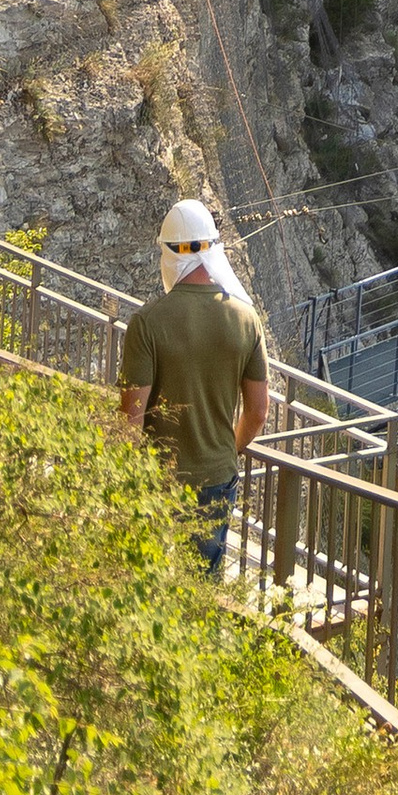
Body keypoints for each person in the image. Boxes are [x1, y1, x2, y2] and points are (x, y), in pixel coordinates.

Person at [118, 198, 268, 573]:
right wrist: (225, 450)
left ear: (168, 254)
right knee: (202, 586)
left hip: (158, 478)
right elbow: (257, 412)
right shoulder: (246, 319)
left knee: (147, 580)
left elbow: (130, 422)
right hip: (217, 477)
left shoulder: (147, 323)